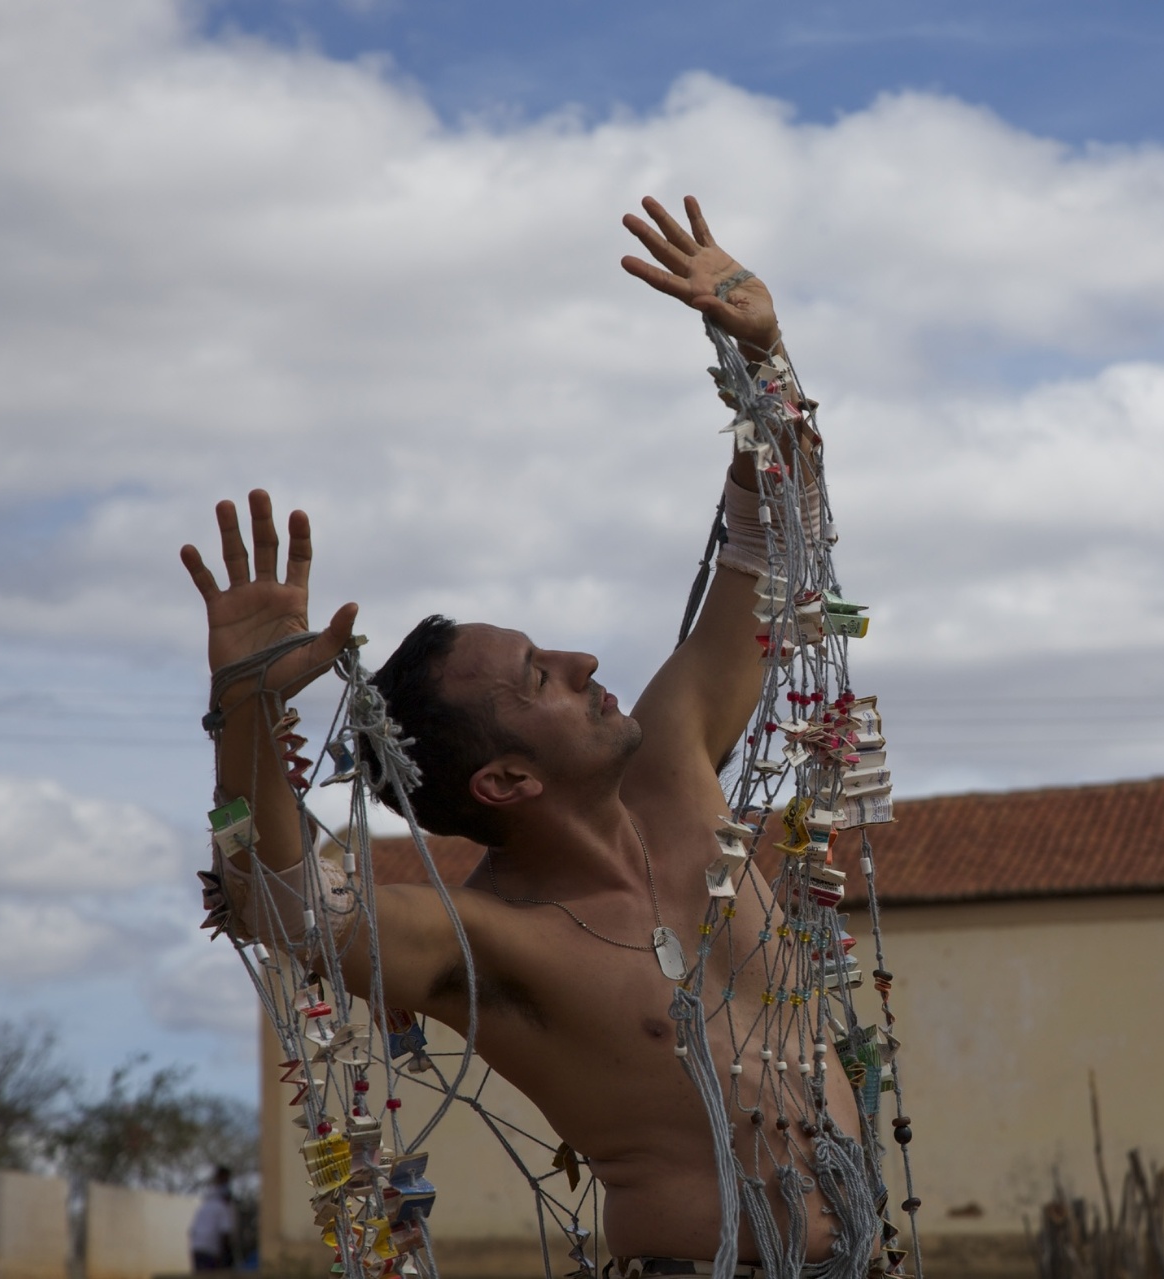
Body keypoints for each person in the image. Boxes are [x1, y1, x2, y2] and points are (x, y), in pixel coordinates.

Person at [181, 198, 872, 1270]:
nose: (590, 665)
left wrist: (766, 361)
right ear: (503, 779)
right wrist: (247, 706)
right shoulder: (483, 943)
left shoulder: (681, 761)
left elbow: (765, 554)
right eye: (541, 677)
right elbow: (286, 908)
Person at [189, 1166, 238, 1271]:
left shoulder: (205, 1205)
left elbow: (192, 1231)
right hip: (211, 1250)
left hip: (197, 1248)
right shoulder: (222, 1206)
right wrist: (225, 1252)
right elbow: (225, 1232)